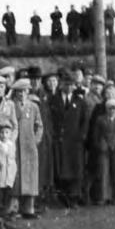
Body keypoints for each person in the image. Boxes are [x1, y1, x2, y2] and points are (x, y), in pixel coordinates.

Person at [50, 70, 88, 208]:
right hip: (59, 141)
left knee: (75, 170)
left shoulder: (79, 101)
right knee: (61, 170)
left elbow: (85, 120)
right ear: (61, 84)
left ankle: (73, 198)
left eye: (72, 84)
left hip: (74, 142)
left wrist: (81, 136)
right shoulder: (53, 100)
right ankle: (63, 198)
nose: (69, 87)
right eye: (66, 84)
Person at [10, 79, 43, 218]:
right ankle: (13, 209)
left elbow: (39, 125)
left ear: (28, 92)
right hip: (15, 146)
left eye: (24, 91)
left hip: (29, 147)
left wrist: (35, 140)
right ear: (15, 93)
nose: (22, 94)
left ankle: (29, 209)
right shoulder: (11, 105)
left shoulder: (34, 106)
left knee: (30, 177)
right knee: (15, 177)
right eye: (19, 91)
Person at [92, 98, 115, 205]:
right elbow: (96, 135)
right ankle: (103, 196)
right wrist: (100, 146)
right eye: (109, 108)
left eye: (114, 108)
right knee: (103, 173)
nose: (112, 111)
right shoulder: (100, 120)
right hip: (104, 150)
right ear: (106, 109)